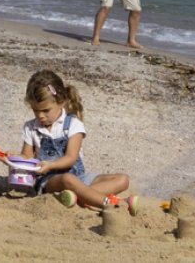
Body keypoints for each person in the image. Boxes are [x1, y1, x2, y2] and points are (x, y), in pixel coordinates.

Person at [13, 69, 140, 213]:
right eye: (35, 110)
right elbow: (27, 157)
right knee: (67, 179)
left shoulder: (73, 125)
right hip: (49, 180)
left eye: (46, 110)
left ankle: (78, 196)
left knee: (123, 179)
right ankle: (112, 203)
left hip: (79, 177)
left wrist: (51, 164)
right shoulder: (31, 127)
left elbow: (71, 158)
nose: (40, 116)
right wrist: (12, 158)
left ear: (61, 102)